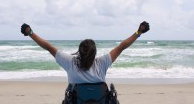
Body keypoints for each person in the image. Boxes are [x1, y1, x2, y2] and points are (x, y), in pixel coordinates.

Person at [21, 21, 150, 84]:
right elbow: (122, 47)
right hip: (99, 103)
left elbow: (48, 47)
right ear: (95, 53)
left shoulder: (70, 62)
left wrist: (30, 33)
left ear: (79, 51)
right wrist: (138, 32)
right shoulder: (102, 63)